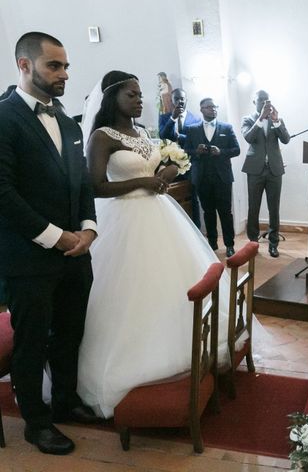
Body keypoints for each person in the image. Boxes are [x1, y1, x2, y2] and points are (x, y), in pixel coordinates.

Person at [76, 71, 249, 419]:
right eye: (132, 95)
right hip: (124, 219)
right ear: (113, 98)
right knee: (132, 292)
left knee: (171, 281)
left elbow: (155, 171)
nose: (140, 100)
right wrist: (145, 181)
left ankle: (191, 355)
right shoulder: (101, 137)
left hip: (158, 213)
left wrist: (166, 172)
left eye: (141, 95)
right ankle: (137, 365)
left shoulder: (141, 132)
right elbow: (95, 186)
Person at [0, 32, 100, 455]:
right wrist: (56, 237)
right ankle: (36, 424)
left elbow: (82, 183)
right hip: (29, 257)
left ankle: (64, 401)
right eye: (53, 66)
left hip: (76, 254)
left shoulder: (68, 121)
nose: (64, 74)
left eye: (66, 66)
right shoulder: (4, 118)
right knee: (33, 340)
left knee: (70, 333)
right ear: (24, 65)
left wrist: (89, 228)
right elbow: (3, 193)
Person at [184, 98, 240, 257]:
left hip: (222, 177)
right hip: (202, 177)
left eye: (215, 106)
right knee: (208, 212)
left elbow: (236, 150)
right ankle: (212, 244)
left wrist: (221, 151)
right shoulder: (192, 129)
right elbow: (186, 150)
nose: (213, 109)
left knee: (225, 212)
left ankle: (229, 245)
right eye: (209, 107)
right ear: (201, 109)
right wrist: (197, 151)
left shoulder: (226, 127)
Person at [241, 90, 290, 258]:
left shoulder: (276, 120)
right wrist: (261, 119)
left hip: (274, 170)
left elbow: (286, 139)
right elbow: (249, 137)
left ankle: (273, 243)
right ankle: (253, 243)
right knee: (253, 207)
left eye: (266, 99)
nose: (264, 102)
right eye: (260, 100)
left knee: (274, 208)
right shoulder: (248, 119)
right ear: (254, 102)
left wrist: (276, 120)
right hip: (255, 169)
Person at [159, 87, 202, 228]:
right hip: (170, 164)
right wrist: (173, 118)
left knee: (193, 198)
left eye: (182, 98)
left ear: (186, 100)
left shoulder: (195, 118)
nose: (180, 101)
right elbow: (163, 135)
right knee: (172, 196)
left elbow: (195, 140)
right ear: (172, 101)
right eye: (176, 99)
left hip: (191, 164)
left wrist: (179, 136)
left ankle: (196, 230)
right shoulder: (164, 117)